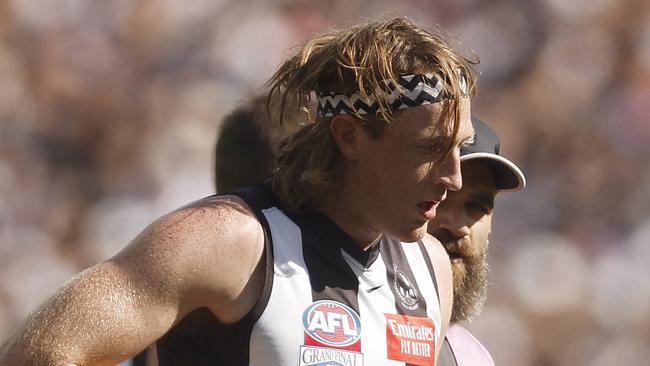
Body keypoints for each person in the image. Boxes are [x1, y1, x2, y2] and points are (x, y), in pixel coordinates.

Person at [0, 17, 477, 365]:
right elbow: (41, 353)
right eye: (429, 147)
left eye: (460, 147)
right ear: (350, 136)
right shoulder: (232, 240)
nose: (454, 177)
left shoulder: (428, 266)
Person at [432, 117, 526, 366]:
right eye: (440, 197)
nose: (458, 226)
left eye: (477, 207)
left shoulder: (472, 357)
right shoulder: (340, 319)